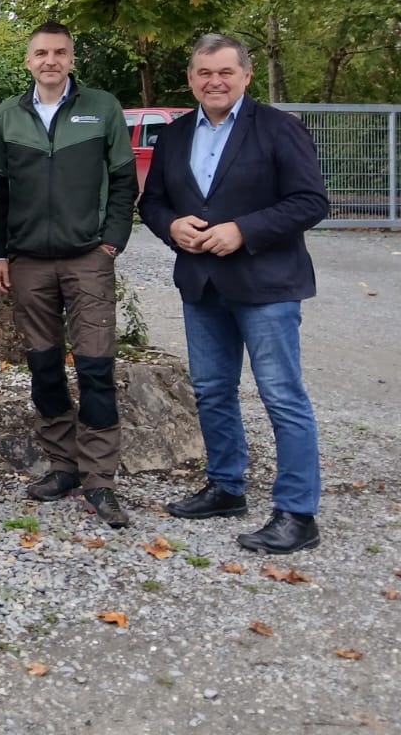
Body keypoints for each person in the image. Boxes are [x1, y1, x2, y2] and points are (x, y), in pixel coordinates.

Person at [139, 34, 327, 554]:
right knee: (212, 390)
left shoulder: (279, 128)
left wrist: (244, 230)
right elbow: (152, 202)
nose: (215, 81)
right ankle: (226, 487)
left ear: (246, 75)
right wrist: (171, 226)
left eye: (225, 72)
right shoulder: (175, 135)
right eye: (205, 73)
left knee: (281, 396)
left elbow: (311, 201)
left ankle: (297, 513)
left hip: (266, 285)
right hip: (202, 284)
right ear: (191, 79)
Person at [0, 22, 137, 528]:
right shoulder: (8, 115)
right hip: (28, 261)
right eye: (41, 53)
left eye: (60, 52)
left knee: (95, 366)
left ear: (72, 59)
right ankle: (63, 466)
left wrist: (112, 241)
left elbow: (123, 180)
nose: (50, 61)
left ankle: (100, 478)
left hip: (87, 257)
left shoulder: (102, 107)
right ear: (28, 60)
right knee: (44, 366)